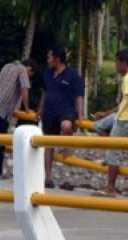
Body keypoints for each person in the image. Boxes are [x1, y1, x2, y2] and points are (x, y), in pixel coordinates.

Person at [92, 50, 128, 197]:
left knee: (112, 152)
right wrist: (106, 113)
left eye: (116, 62)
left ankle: (110, 187)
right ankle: (112, 155)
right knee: (98, 126)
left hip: (125, 119)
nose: (115, 65)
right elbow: (126, 102)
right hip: (121, 115)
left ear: (123, 63)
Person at [0, 58, 38, 179]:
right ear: (29, 68)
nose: (29, 76)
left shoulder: (7, 66)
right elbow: (24, 89)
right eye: (30, 75)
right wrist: (27, 109)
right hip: (0, 109)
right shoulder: (22, 70)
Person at [38, 45, 85, 188]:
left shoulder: (72, 75)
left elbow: (79, 95)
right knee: (49, 144)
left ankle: (67, 146)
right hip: (49, 111)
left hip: (66, 109)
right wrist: (40, 109)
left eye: (50, 57)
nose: (48, 59)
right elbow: (44, 93)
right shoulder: (47, 73)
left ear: (57, 58)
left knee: (66, 125)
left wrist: (81, 113)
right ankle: (48, 177)